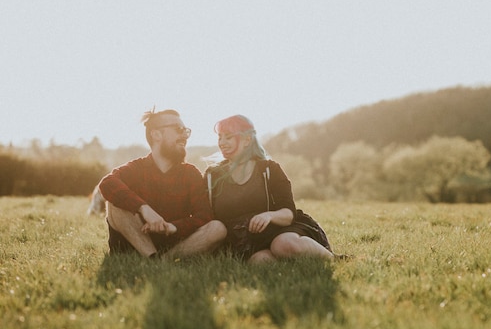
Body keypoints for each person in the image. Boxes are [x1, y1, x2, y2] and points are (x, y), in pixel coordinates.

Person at [205, 114, 335, 263]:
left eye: (228, 137)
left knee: (283, 245)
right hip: (246, 242)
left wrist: (269, 216)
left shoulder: (269, 169)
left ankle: (334, 260)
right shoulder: (212, 175)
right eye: (220, 137)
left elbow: (288, 213)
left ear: (247, 140)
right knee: (260, 261)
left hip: (280, 231)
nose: (222, 142)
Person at [99, 108, 226, 259]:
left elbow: (204, 215)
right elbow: (106, 183)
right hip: (135, 245)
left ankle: (161, 261)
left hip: (173, 245)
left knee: (218, 228)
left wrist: (174, 227)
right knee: (114, 204)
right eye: (179, 130)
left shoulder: (190, 173)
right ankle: (151, 256)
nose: (184, 136)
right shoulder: (137, 168)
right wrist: (144, 209)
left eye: (186, 131)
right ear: (156, 134)